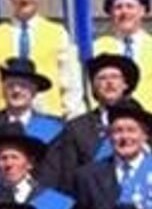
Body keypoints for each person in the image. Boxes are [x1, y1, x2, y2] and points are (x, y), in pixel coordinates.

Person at [0, 0, 84, 117]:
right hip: (6, 119)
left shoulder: (58, 33)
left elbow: (70, 81)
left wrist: (71, 116)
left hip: (48, 120)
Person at [0, 57, 69, 192]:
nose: (16, 91)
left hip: (40, 203)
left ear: (34, 92)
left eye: (23, 86)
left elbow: (52, 173)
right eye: (11, 85)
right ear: (3, 90)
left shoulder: (54, 127)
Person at [57, 51, 142, 179]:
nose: (109, 82)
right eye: (102, 78)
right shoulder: (76, 129)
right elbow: (67, 178)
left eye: (115, 77)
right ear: (94, 86)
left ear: (125, 84)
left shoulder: (146, 124)